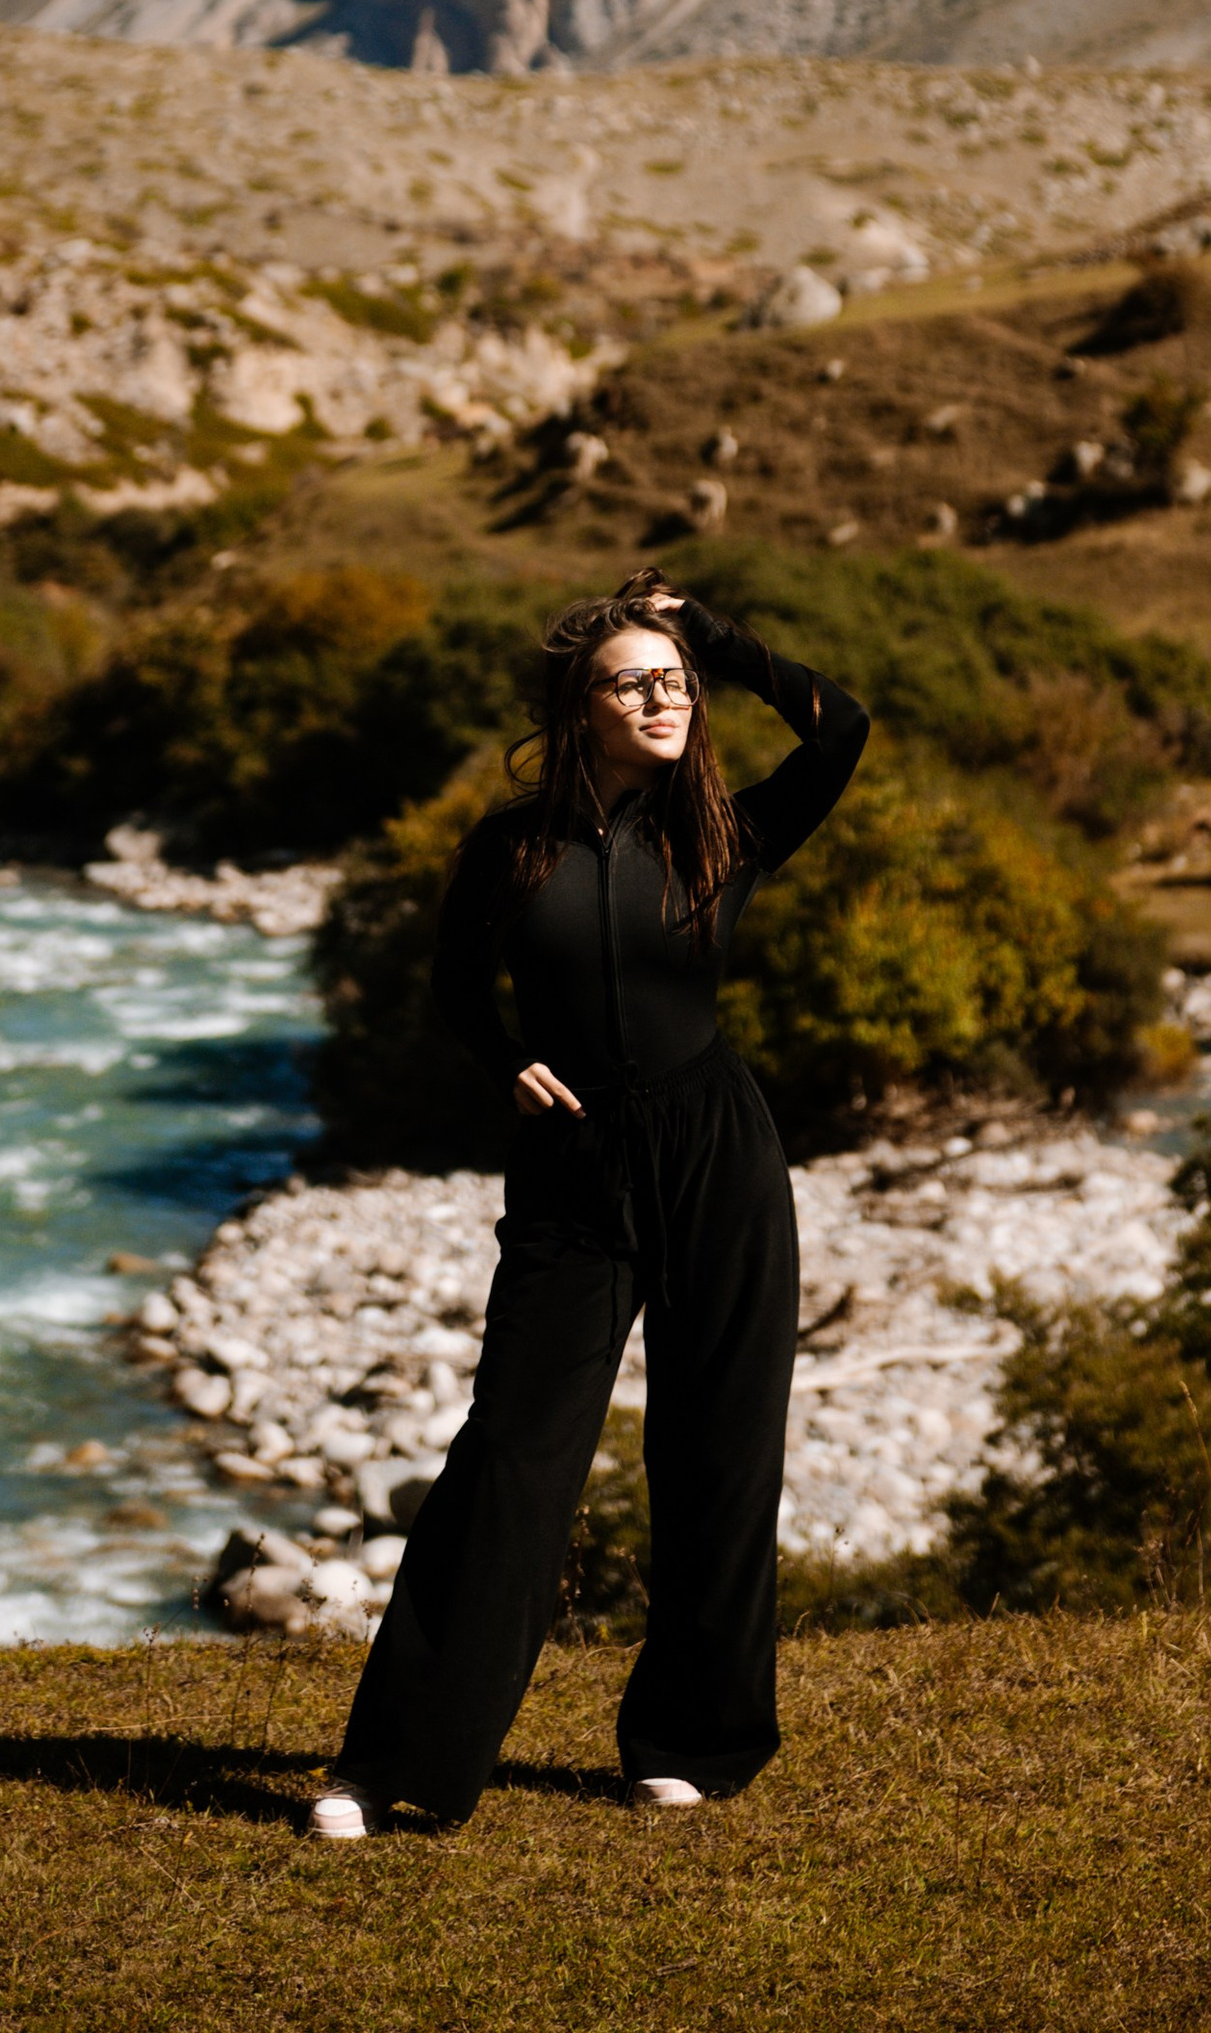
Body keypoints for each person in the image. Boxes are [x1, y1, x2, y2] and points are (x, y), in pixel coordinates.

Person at [310, 565, 868, 1837]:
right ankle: (392, 1759)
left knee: (718, 1451)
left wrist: (712, 630)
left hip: (716, 1152)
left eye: (677, 682)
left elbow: (842, 726)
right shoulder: (509, 848)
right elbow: (453, 994)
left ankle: (688, 1739)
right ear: (582, 706)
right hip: (570, 1167)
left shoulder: (723, 829)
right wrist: (500, 1061)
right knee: (510, 1455)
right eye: (639, 681)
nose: (667, 698)